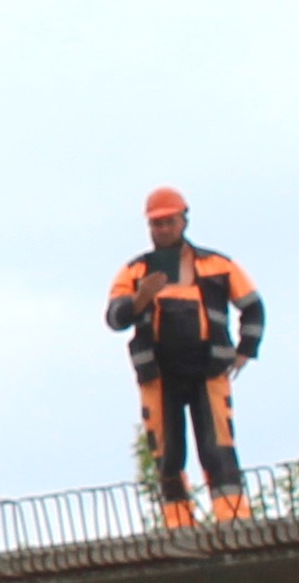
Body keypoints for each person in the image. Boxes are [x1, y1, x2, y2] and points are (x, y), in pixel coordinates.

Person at [105, 187, 267, 526]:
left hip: (208, 371)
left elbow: (252, 307)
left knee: (218, 447)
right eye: (156, 224)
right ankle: (178, 524)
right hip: (159, 374)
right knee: (168, 454)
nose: (162, 229)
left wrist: (244, 352)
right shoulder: (135, 272)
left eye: (168, 222)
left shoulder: (218, 265)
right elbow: (114, 318)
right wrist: (140, 301)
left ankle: (234, 518)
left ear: (183, 220)